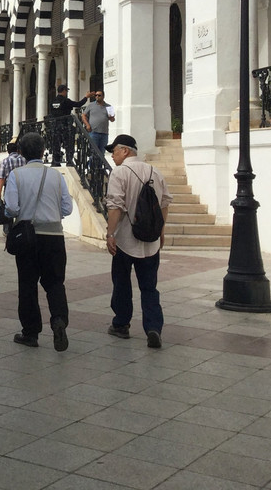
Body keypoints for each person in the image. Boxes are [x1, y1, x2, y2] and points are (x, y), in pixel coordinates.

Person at [3, 132, 73, 352]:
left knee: (27, 284)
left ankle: (31, 332)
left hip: (28, 238)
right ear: (43, 152)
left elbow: (12, 208)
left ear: (21, 152)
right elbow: (67, 208)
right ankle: (59, 320)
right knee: (55, 282)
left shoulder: (16, 175)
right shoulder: (56, 176)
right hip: (54, 237)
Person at [104, 133, 173, 349]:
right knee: (149, 287)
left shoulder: (120, 173)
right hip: (150, 242)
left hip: (126, 239)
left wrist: (110, 234)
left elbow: (115, 206)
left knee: (122, 283)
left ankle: (121, 324)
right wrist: (160, 230)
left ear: (125, 151)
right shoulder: (155, 171)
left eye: (114, 151)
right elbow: (164, 203)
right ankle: (153, 328)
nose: (113, 156)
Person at [47, 84, 95, 165]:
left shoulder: (52, 101)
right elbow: (78, 104)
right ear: (64, 91)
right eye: (66, 91)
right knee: (69, 145)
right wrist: (86, 97)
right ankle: (69, 161)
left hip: (55, 126)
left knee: (56, 145)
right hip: (66, 125)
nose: (66, 93)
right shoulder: (66, 101)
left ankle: (56, 161)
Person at [82, 89, 116, 163]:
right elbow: (83, 115)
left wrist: (111, 117)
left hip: (104, 133)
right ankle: (91, 168)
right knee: (93, 152)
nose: (97, 97)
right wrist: (87, 125)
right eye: (96, 95)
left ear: (103, 96)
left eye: (99, 95)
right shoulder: (91, 105)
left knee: (102, 153)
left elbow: (112, 119)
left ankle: (100, 169)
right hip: (93, 132)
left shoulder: (108, 106)